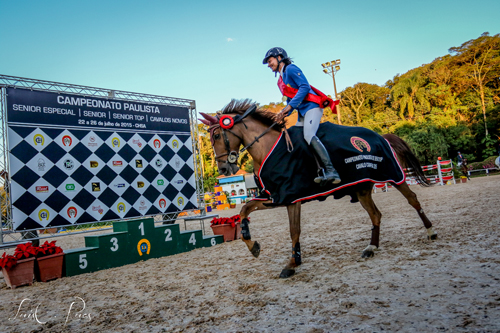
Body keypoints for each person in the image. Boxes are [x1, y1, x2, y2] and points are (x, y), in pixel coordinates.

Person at [263, 47, 341, 185]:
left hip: (312, 107)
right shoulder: (281, 79)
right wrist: (283, 112)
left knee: (309, 135)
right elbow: (290, 100)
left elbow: (304, 87)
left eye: (270, 61)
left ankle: (331, 170)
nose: (269, 65)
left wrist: (290, 106)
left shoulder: (291, 69)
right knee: (297, 136)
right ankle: (318, 171)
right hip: (302, 112)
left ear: (279, 57)